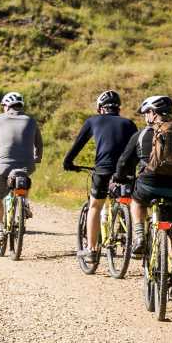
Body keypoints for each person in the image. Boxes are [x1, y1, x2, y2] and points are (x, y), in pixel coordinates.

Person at [115, 95, 172, 303]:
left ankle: (139, 237)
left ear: (153, 113)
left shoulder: (142, 134)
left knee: (136, 201)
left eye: (146, 112)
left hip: (149, 184)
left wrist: (119, 176)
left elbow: (125, 160)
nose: (145, 116)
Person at [62, 90, 139, 262]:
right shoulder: (129, 123)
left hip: (102, 170)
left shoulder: (93, 121)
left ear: (100, 108)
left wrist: (68, 162)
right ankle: (133, 238)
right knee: (127, 200)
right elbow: (136, 149)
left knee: (95, 206)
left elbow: (78, 144)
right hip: (125, 172)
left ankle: (91, 249)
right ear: (118, 108)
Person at [0, 92, 43, 246]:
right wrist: (37, 158)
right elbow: (39, 144)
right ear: (20, 105)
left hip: (4, 166)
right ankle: (24, 201)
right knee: (24, 176)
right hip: (27, 165)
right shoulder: (31, 120)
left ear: (6, 106)